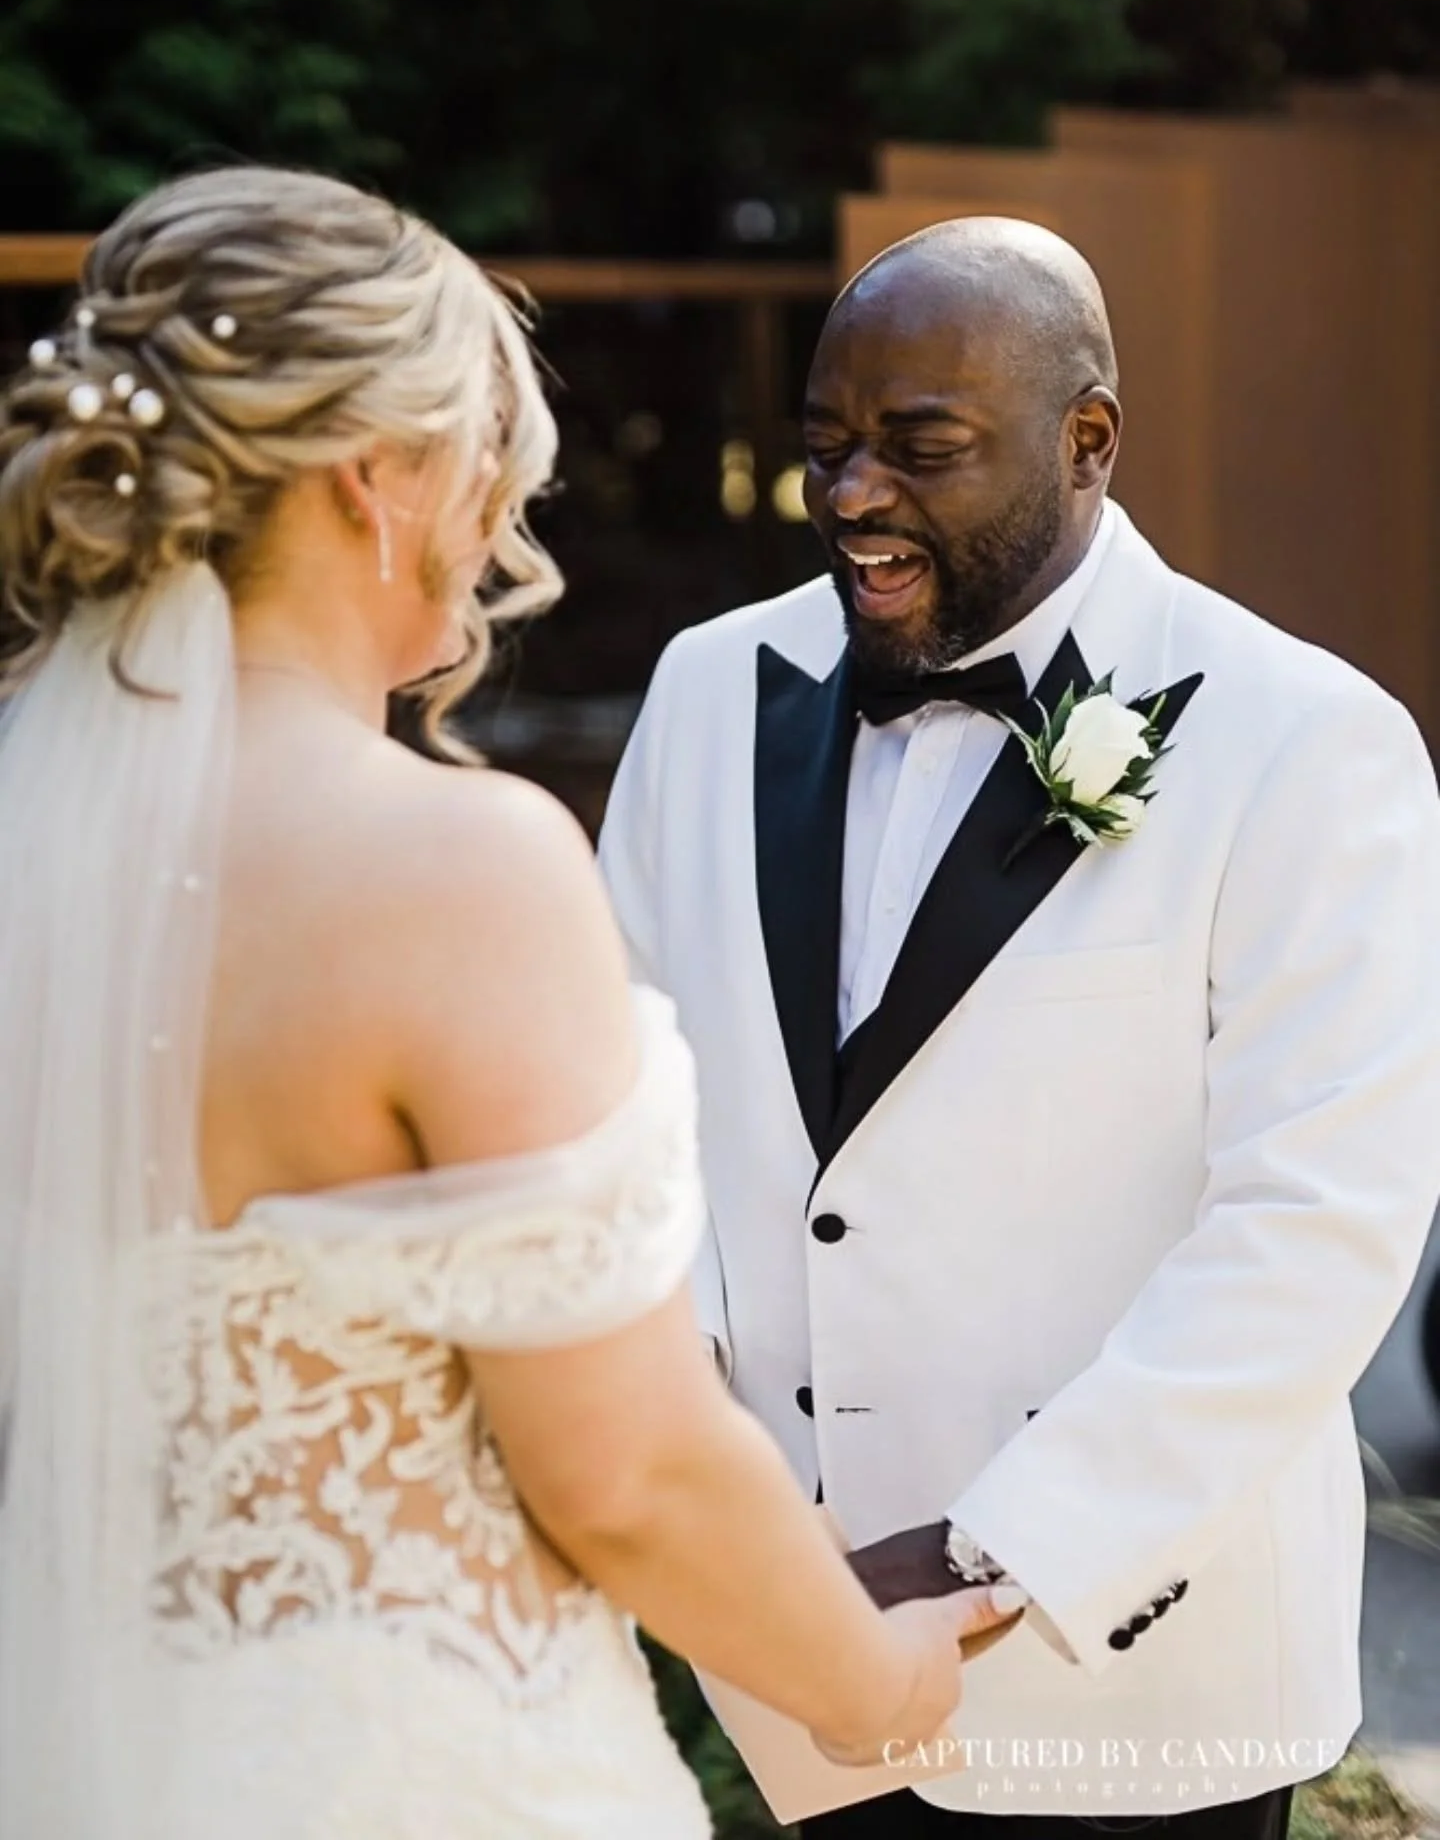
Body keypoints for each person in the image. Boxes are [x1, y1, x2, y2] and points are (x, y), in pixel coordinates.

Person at [0, 168, 1008, 1840]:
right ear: (374, 476)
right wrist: (873, 1682)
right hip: (406, 1771)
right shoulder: (449, 871)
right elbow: (629, 1472)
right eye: (489, 472)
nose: (504, 533)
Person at [598, 216, 1440, 1838]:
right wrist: (712, 1500)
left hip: (1132, 1677)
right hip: (787, 1660)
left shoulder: (1306, 741)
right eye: (827, 446)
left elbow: (1317, 1226)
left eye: (921, 448)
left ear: (1090, 443)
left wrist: (991, 1547)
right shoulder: (711, 689)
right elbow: (640, 1100)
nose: (852, 497)